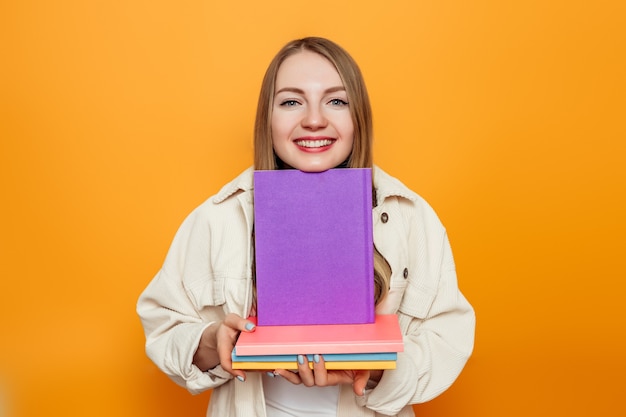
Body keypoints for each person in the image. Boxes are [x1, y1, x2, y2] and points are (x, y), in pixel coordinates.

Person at [137, 36, 475, 417]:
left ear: (358, 116)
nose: (314, 120)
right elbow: (163, 326)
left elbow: (449, 337)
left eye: (336, 100)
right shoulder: (218, 217)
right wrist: (212, 342)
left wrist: (376, 368)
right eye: (291, 101)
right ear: (268, 117)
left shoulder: (410, 216)